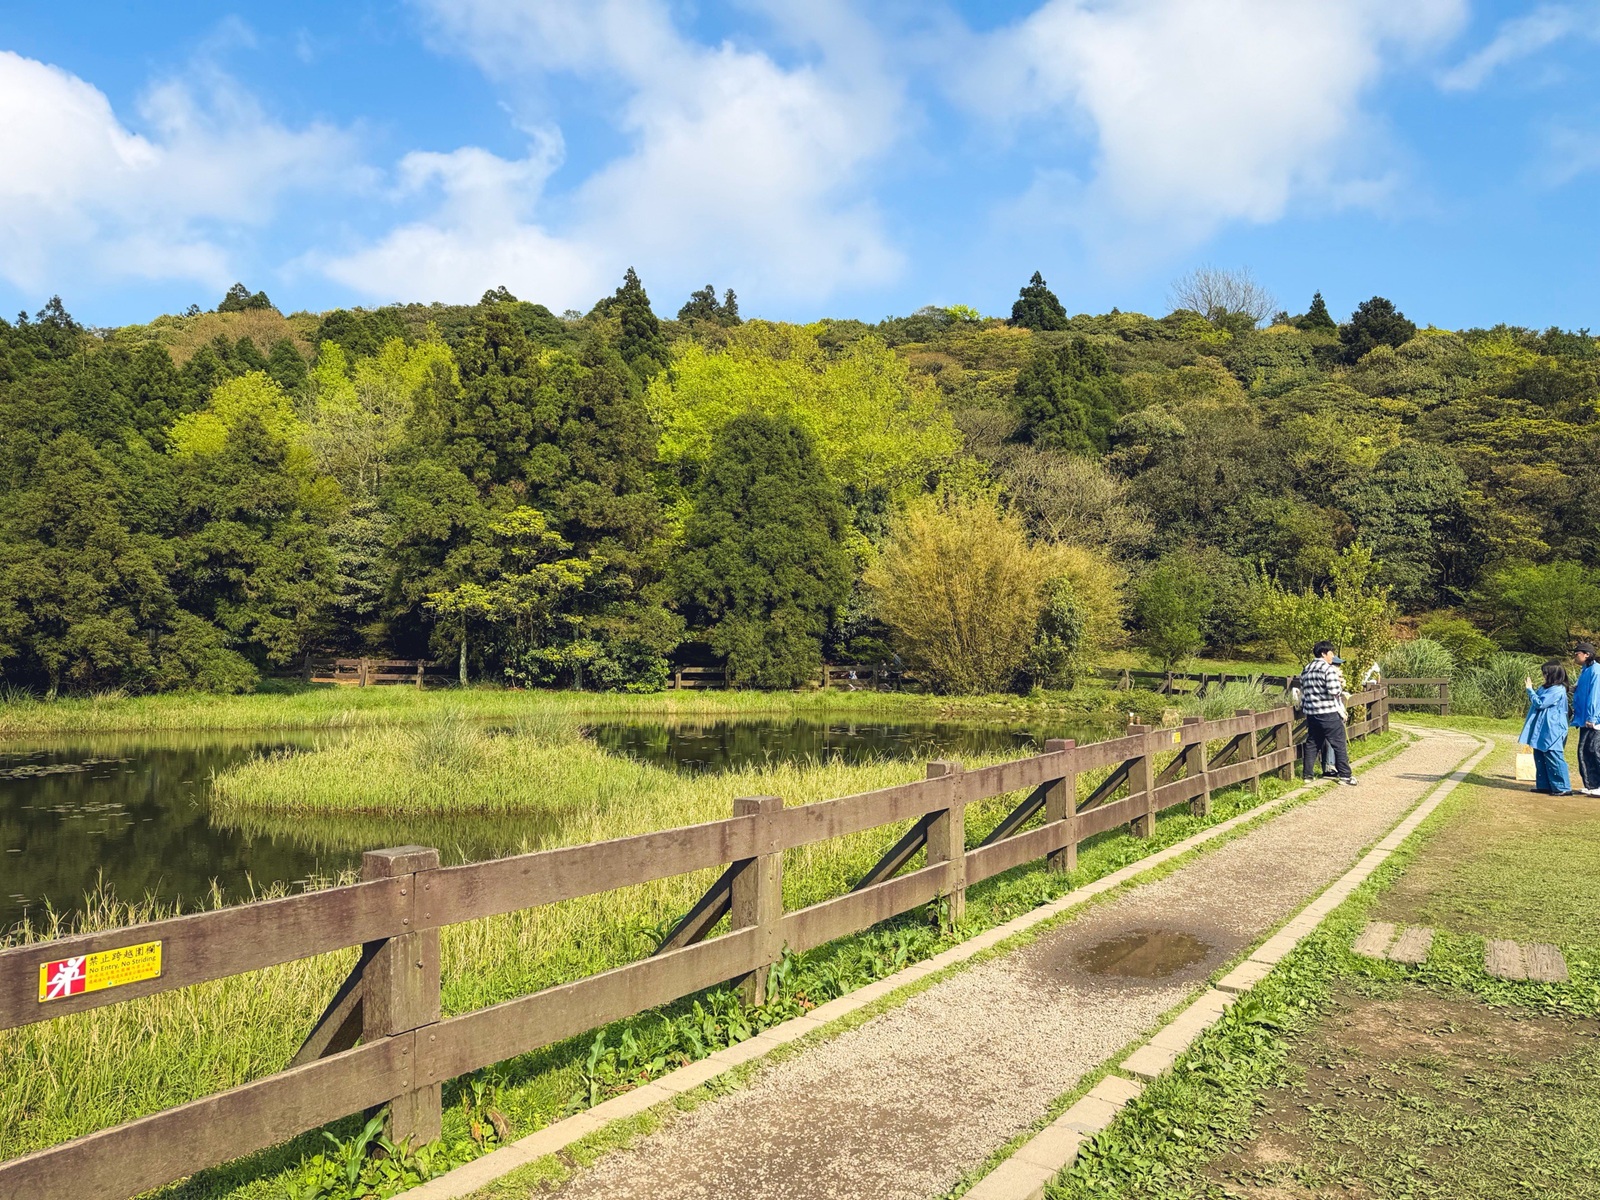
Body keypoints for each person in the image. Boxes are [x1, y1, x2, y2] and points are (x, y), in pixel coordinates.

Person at [1301, 641, 1355, 786]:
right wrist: (1340, 685)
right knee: (1339, 743)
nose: (1333, 656)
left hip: (1312, 712)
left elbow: (1303, 691)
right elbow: (1333, 690)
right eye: (1331, 653)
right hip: (1328, 712)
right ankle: (1345, 775)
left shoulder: (1306, 668)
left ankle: (1308, 775)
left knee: (1313, 743)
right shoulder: (1328, 669)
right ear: (1324, 653)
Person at [1522, 661, 1573, 796]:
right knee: (1539, 754)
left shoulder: (1558, 689)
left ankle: (1562, 787)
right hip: (1541, 726)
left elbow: (1540, 703)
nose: (1543, 675)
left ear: (1552, 674)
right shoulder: (1545, 688)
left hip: (1553, 728)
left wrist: (1529, 690)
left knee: (1553, 755)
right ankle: (1544, 785)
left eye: (1545, 672)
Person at [1571, 643, 1600, 796]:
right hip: (1583, 719)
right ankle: (1591, 785)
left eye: (1577, 653)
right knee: (1584, 751)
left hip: (1594, 720)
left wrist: (1593, 717)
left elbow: (1595, 695)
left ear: (1587, 654)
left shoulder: (1596, 670)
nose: (1575, 656)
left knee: (1594, 750)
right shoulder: (1585, 670)